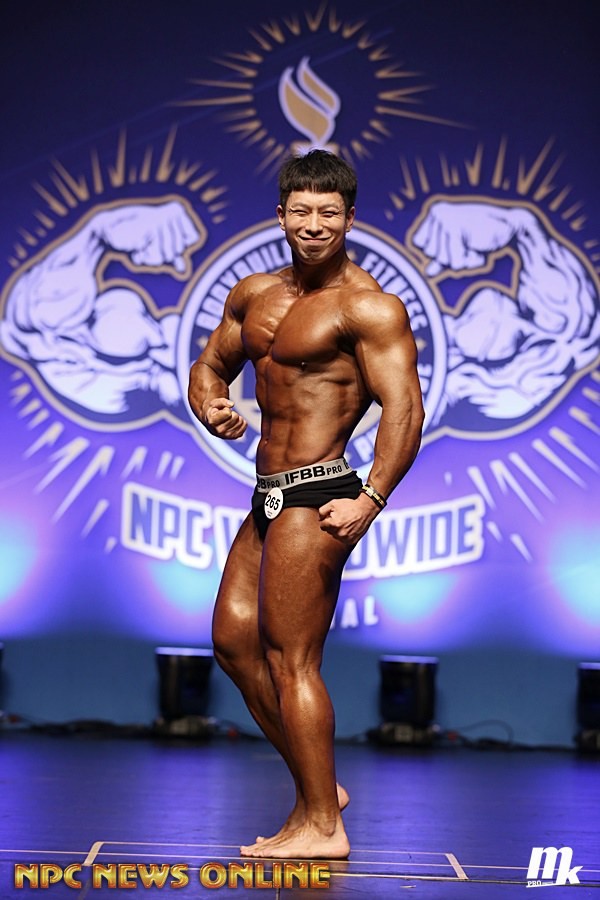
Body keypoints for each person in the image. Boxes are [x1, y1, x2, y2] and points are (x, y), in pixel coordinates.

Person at [188, 150, 424, 859]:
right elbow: (210, 365)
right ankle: (320, 789)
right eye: (301, 211)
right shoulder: (255, 294)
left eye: (328, 213)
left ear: (350, 219)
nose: (314, 224)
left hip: (320, 493)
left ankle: (322, 825)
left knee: (291, 660)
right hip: (267, 493)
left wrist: (372, 497)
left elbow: (404, 409)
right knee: (233, 641)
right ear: (281, 215)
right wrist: (211, 405)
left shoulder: (368, 306)